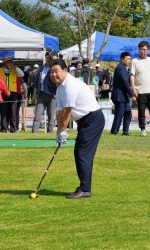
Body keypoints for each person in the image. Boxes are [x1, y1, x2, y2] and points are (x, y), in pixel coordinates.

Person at [49, 59, 105, 199]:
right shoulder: (60, 87)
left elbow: (67, 111)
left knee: (82, 153)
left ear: (65, 71)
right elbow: (60, 112)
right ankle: (84, 187)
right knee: (80, 152)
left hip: (93, 119)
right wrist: (59, 132)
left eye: (57, 71)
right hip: (85, 120)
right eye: (51, 72)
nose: (54, 74)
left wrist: (63, 131)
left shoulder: (70, 85)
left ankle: (85, 189)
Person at [130, 40, 150, 137]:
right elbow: (132, 76)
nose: (142, 51)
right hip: (140, 91)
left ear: (148, 50)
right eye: (140, 49)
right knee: (141, 112)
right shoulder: (134, 61)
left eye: (144, 49)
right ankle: (143, 129)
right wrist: (133, 89)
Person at [0, 56, 24, 133]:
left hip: (13, 92)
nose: (10, 63)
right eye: (8, 61)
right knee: (3, 111)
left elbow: (22, 74)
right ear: (4, 62)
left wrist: (15, 67)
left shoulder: (15, 70)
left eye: (11, 61)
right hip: (2, 92)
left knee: (13, 111)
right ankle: (4, 128)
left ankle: (13, 128)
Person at [32, 52, 57, 133]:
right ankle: (34, 132)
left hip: (52, 94)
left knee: (51, 115)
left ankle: (50, 132)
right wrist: (33, 95)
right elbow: (36, 83)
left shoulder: (54, 69)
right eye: (46, 57)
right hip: (41, 94)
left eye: (49, 57)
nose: (47, 59)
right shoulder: (41, 68)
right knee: (37, 115)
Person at [111, 52, 133, 136]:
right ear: (122, 59)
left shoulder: (124, 68)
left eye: (130, 59)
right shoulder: (121, 68)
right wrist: (132, 93)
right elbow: (125, 82)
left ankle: (125, 132)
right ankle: (114, 131)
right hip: (119, 96)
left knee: (128, 113)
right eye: (127, 59)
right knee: (119, 115)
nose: (129, 61)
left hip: (124, 96)